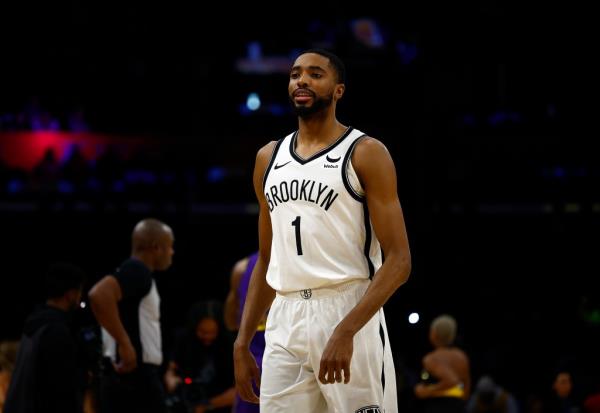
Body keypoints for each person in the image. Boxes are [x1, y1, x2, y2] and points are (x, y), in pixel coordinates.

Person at [233, 48, 412, 413]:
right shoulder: (268, 158)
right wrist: (242, 340)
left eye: (315, 74)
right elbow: (268, 259)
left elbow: (400, 261)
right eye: (296, 73)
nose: (302, 80)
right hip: (285, 317)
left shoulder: (365, 152)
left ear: (339, 90)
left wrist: (346, 330)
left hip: (348, 307)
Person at [89, 218, 174, 413]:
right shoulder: (138, 270)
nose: (172, 252)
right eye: (170, 246)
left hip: (125, 378)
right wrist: (125, 343)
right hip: (135, 379)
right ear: (156, 247)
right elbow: (98, 295)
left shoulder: (134, 272)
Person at [4, 262, 86, 413]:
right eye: (79, 291)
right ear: (70, 294)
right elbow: (61, 391)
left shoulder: (34, 322)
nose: (80, 297)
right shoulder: (56, 331)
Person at [164, 300, 236, 413]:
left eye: (212, 332)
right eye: (202, 332)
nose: (207, 337)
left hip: (219, 403)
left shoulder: (230, 344)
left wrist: (206, 406)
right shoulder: (184, 339)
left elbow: (237, 392)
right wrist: (172, 381)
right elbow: (171, 371)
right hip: (186, 401)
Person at [224, 252, 264, 413]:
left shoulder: (242, 268)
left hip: (253, 362)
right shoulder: (299, 262)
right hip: (288, 360)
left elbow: (230, 322)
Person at [414, 314, 471, 413]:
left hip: (438, 407)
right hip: (459, 406)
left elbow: (453, 381)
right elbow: (465, 389)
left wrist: (427, 392)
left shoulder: (431, 359)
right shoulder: (461, 356)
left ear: (434, 334)